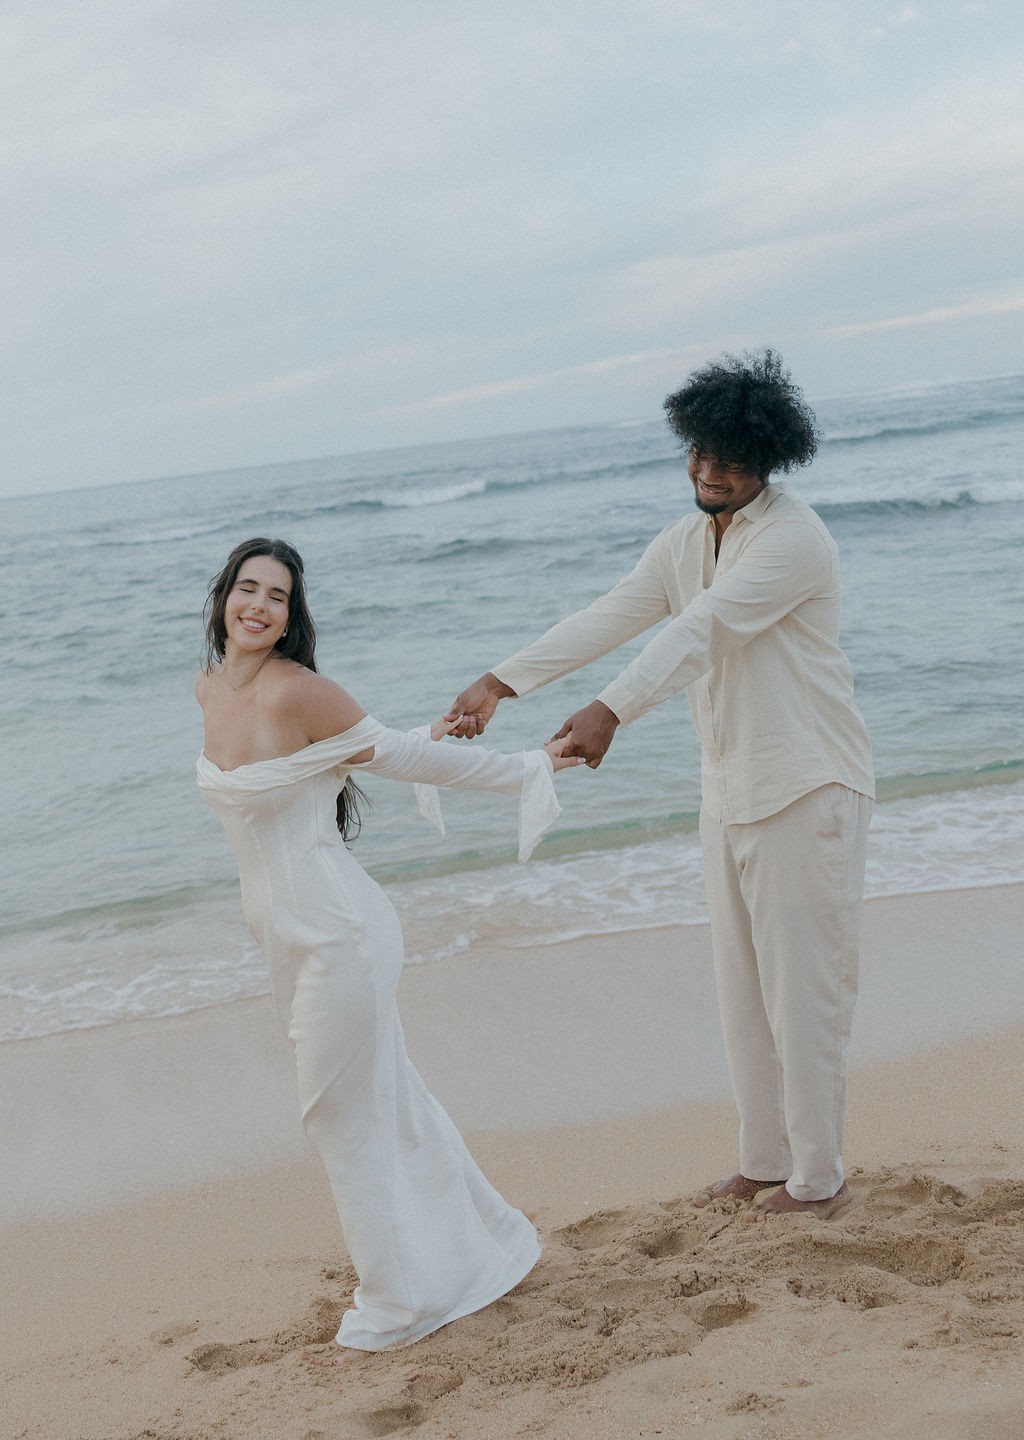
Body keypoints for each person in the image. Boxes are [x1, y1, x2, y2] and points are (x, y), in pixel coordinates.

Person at [447, 350, 874, 1220]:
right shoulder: (685, 539)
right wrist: (501, 681)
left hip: (807, 786)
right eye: (698, 455)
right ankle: (763, 1161)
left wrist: (611, 711)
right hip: (729, 790)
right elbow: (615, 611)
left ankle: (819, 1178)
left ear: (768, 459)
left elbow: (701, 634)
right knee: (741, 992)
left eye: (728, 460)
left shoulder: (794, 539)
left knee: (805, 995)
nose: (708, 473)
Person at [195, 537, 585, 1355]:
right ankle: (483, 1246)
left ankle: (396, 1301)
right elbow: (333, 764)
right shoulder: (208, 689)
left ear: (292, 615)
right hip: (283, 937)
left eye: (277, 597)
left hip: (342, 932)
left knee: (334, 1113)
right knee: (383, 1101)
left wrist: (525, 764)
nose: (259, 606)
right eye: (249, 588)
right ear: (224, 594)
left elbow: (402, 758)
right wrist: (416, 732)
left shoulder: (299, 690)